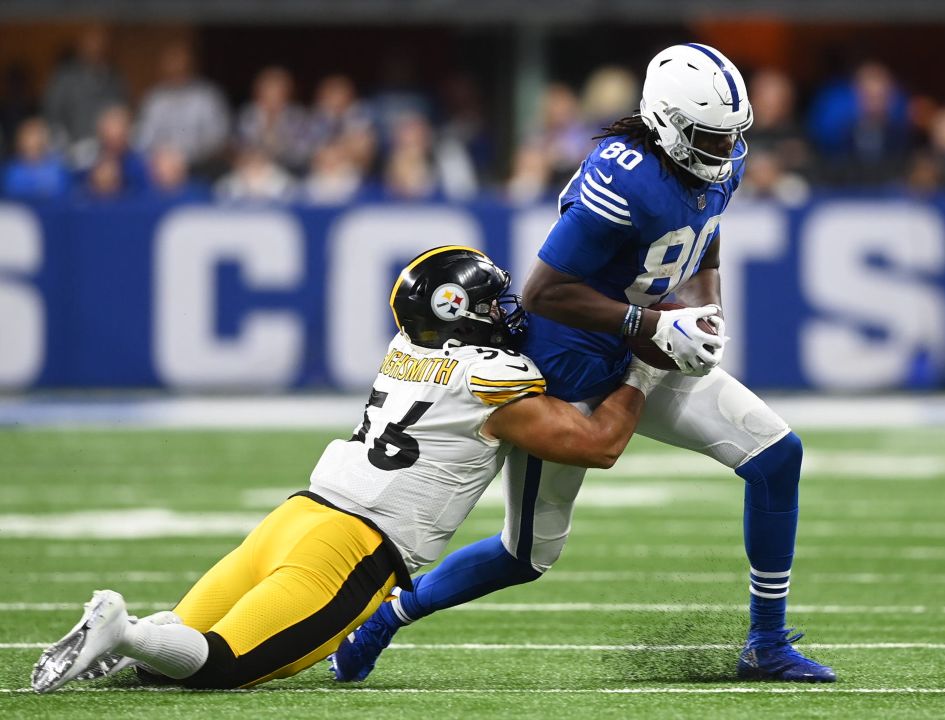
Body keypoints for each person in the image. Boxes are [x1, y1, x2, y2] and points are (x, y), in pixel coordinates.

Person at [334, 43, 835, 684]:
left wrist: (706, 314)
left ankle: (766, 643)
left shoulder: (721, 162)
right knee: (526, 555)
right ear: (667, 122)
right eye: (708, 137)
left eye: (730, 137)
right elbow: (544, 291)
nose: (723, 151)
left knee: (776, 457)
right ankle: (387, 618)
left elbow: (705, 237)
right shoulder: (624, 174)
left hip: (650, 342)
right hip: (569, 360)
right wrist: (647, 324)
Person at [30, 247, 665, 694]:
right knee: (222, 666)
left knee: (177, 654)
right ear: (458, 312)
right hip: (356, 548)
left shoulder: (404, 349)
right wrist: (644, 366)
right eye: (491, 302)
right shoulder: (491, 380)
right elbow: (599, 443)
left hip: (296, 516)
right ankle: (124, 628)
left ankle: (126, 639)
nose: (506, 311)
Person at [135, 41, 231, 171]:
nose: (176, 69)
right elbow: (144, 139)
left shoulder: (207, 95)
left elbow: (217, 137)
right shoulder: (155, 99)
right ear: (164, 68)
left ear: (190, 65)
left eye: (181, 64)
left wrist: (186, 157)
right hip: (162, 166)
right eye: (172, 65)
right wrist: (164, 157)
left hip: (199, 164)